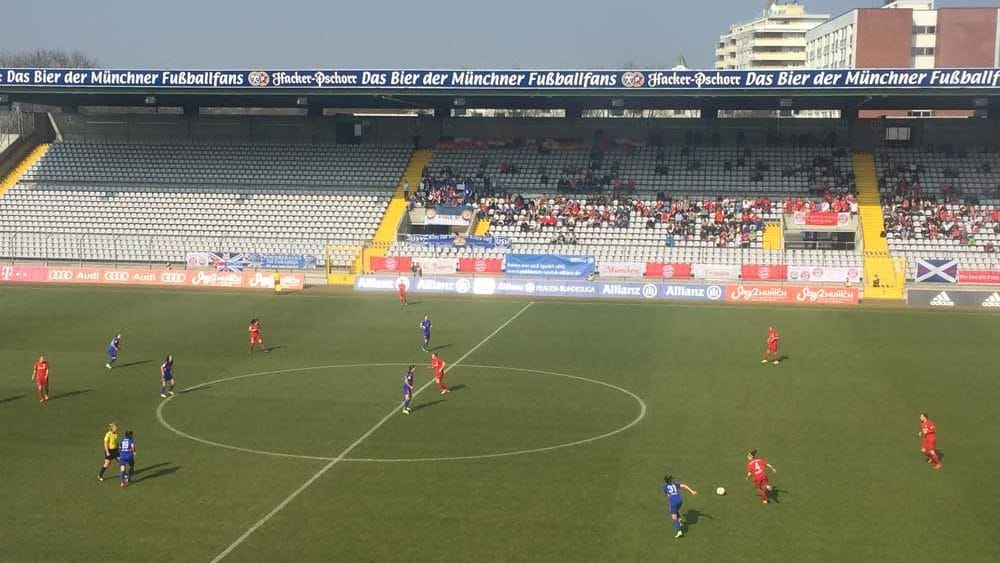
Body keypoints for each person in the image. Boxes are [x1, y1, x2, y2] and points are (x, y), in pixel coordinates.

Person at [662, 474, 698, 539]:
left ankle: (679, 531)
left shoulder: (664, 487)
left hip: (673, 502)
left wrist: (671, 502)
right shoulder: (675, 484)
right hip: (680, 501)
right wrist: (691, 491)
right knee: (674, 509)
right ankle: (680, 520)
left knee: (674, 518)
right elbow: (684, 485)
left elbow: (668, 496)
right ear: (670, 480)